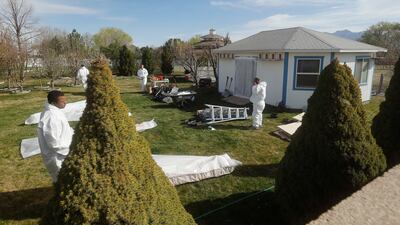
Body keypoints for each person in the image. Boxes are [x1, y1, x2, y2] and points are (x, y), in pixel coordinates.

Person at [37, 90, 74, 182]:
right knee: (62, 180)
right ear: (53, 102)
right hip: (58, 157)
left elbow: (64, 130)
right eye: (62, 101)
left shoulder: (56, 111)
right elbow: (54, 144)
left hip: (63, 153)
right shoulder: (51, 117)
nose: (65, 103)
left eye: (65, 100)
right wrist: (72, 148)